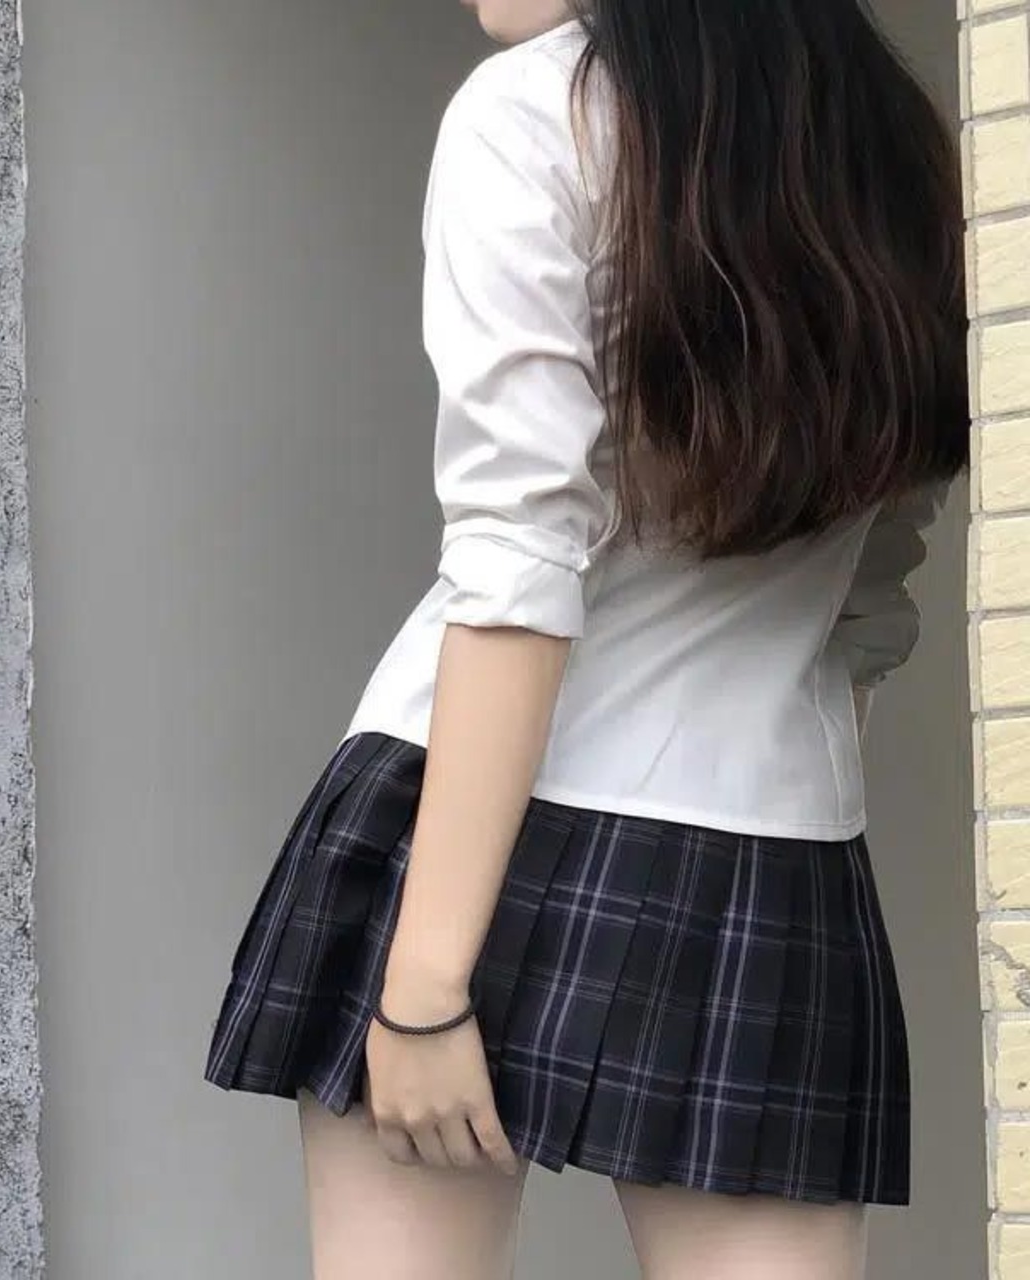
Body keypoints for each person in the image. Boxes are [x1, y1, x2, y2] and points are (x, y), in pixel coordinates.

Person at [203, 1, 969, 1276]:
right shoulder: (899, 150)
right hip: (766, 844)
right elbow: (876, 582)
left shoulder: (530, 114)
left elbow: (517, 557)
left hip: (453, 821)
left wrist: (423, 985)